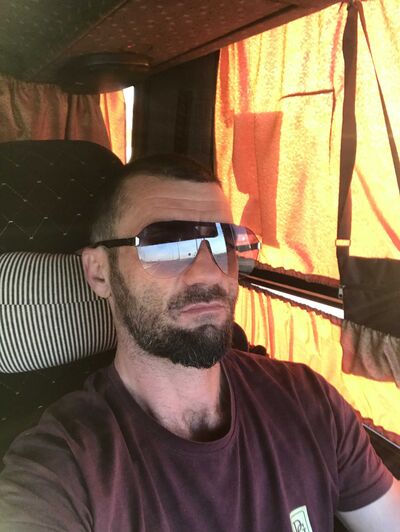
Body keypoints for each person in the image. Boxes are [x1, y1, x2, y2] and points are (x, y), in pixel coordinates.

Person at [0, 154, 399, 532]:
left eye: (225, 242)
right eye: (165, 245)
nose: (209, 273)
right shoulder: (61, 468)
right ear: (98, 273)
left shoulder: (309, 401)